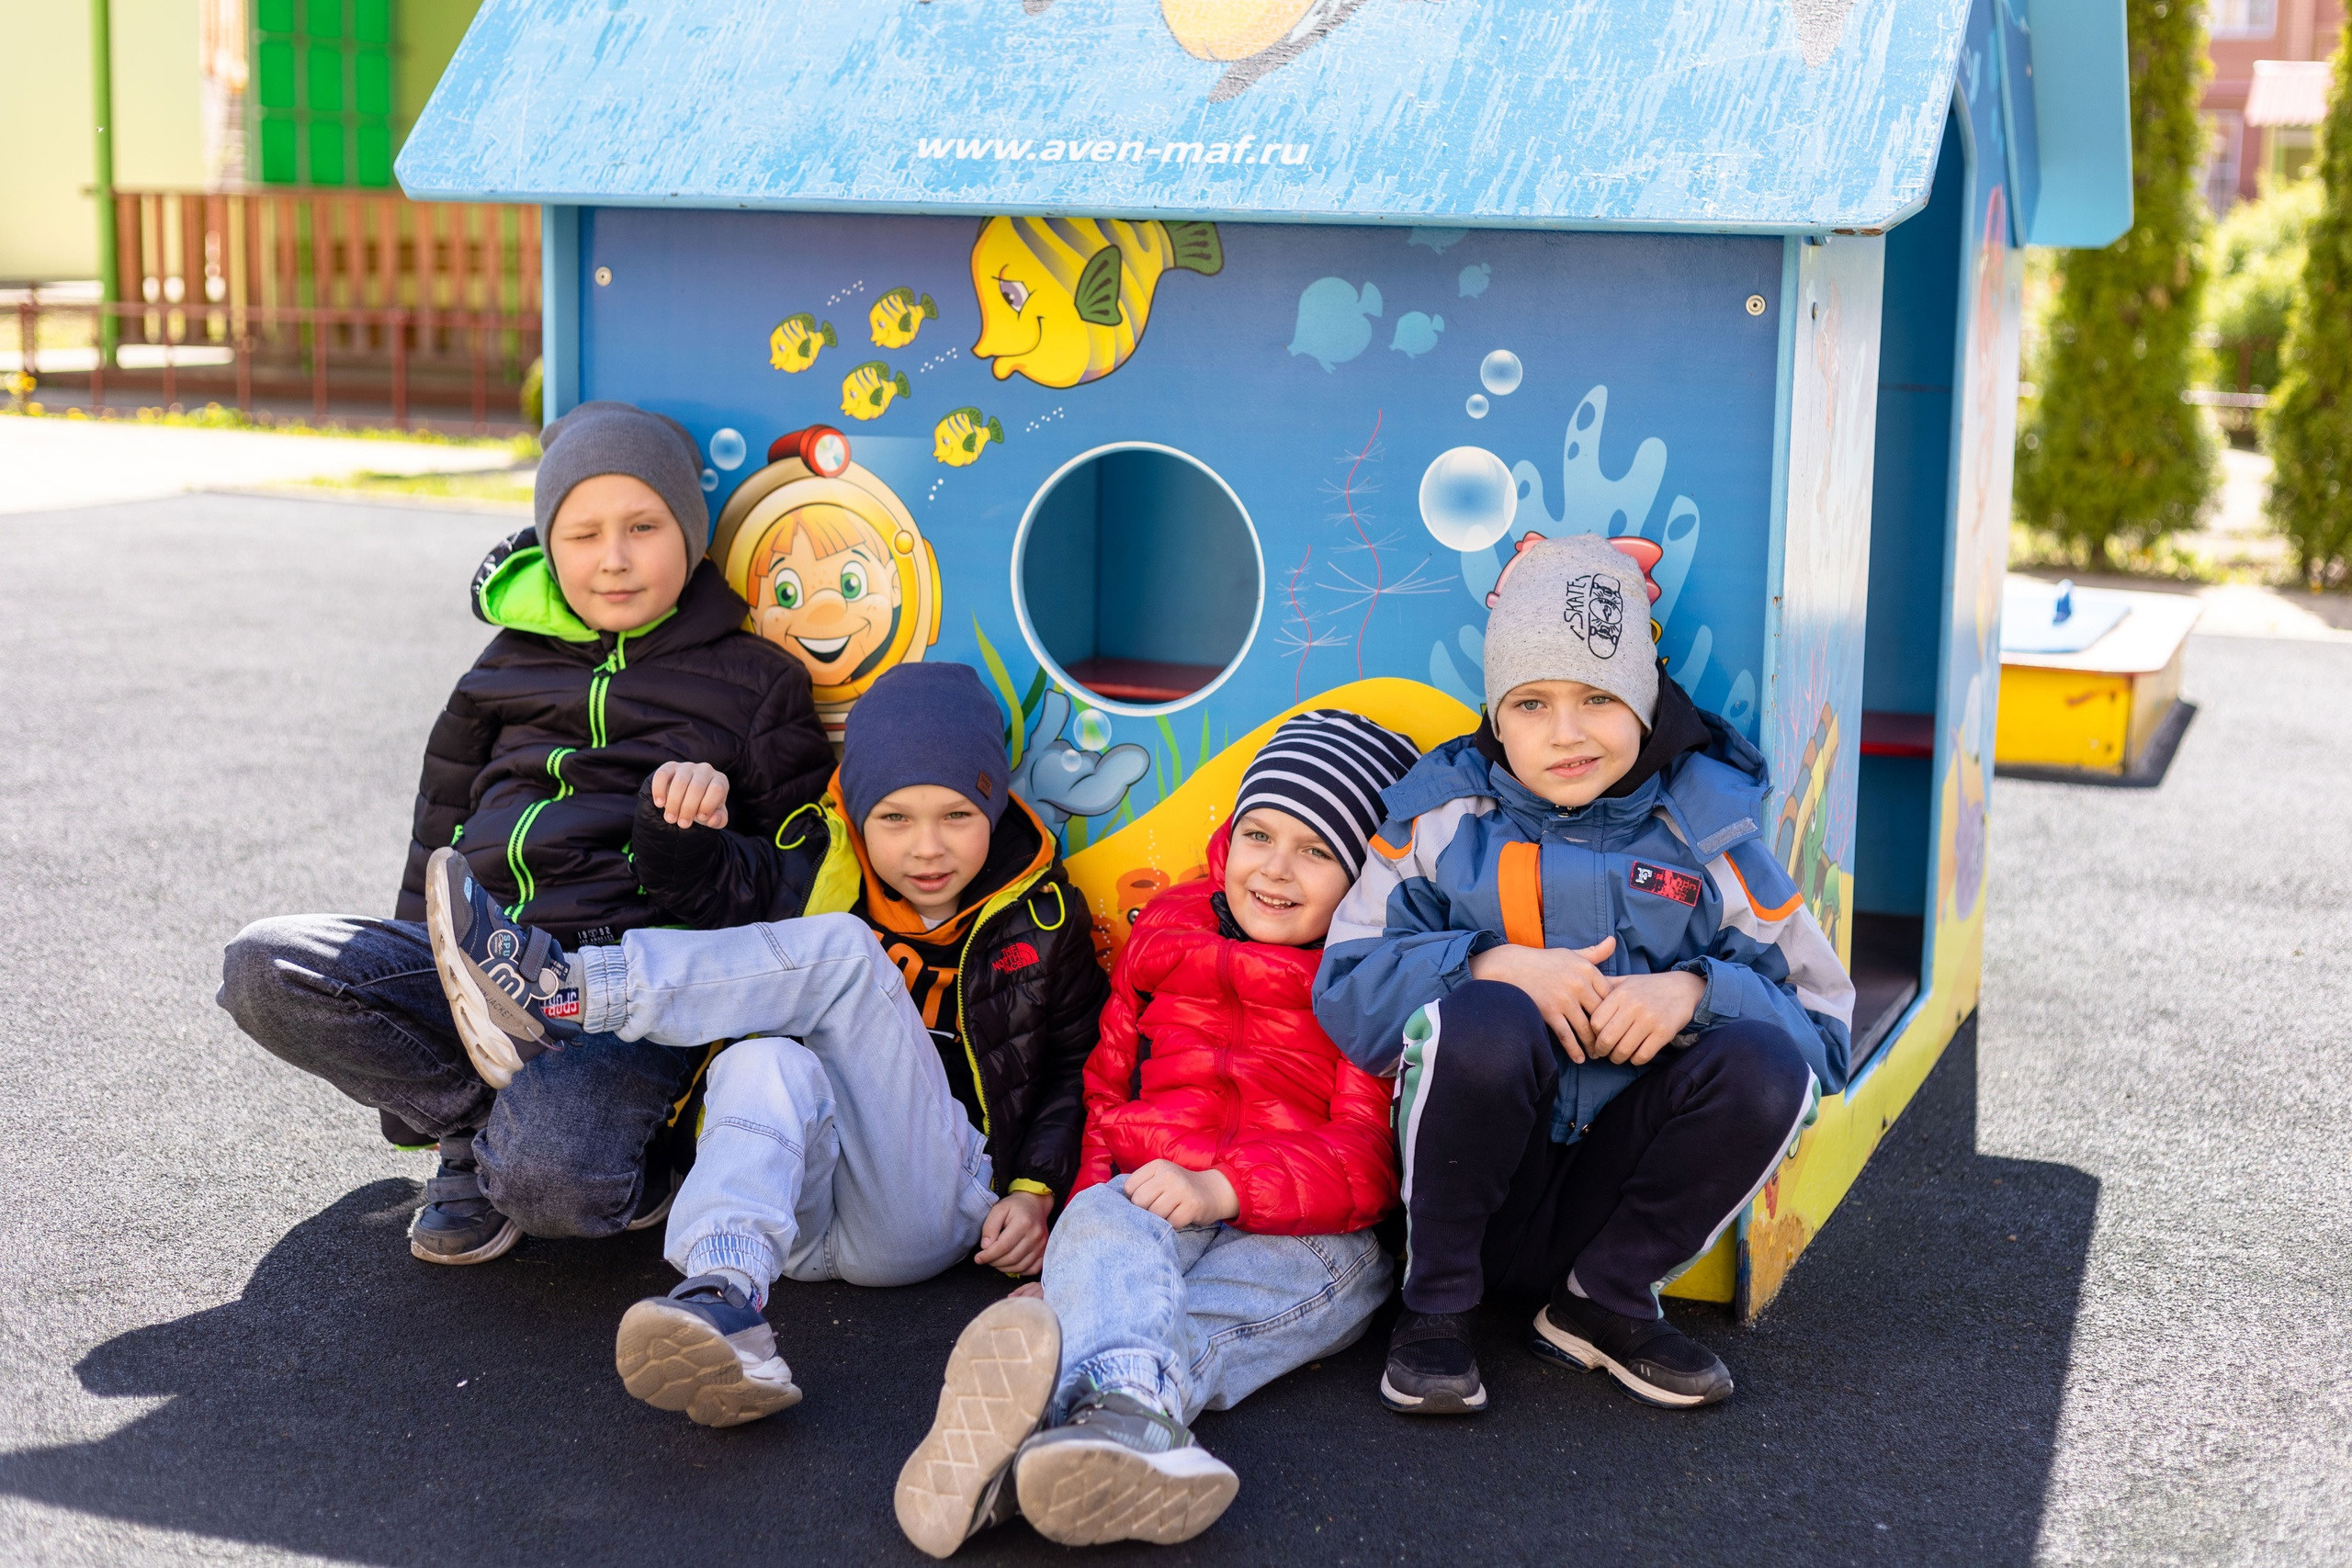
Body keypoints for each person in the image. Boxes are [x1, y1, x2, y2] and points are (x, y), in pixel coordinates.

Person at [217, 400, 833, 1266]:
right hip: (481, 962)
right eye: (582, 534)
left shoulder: (758, 683)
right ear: (548, 544)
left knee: (552, 1186)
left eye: (643, 526)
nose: (613, 558)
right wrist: (420, 1027)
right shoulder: (502, 665)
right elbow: (434, 841)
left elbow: (796, 887)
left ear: (693, 537)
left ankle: (630, 1157)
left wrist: (686, 845)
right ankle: (471, 1126)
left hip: (621, 993)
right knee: (263, 966)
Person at [419, 661, 1106, 1427]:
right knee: (762, 1057)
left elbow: (1073, 1069)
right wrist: (674, 823)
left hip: (924, 1208)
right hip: (796, 1213)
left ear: (995, 806)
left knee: (845, 953)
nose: (927, 847)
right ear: (857, 813)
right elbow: (713, 887)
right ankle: (726, 1297)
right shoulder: (817, 858)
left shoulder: (1044, 916)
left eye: (956, 815)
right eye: (894, 818)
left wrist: (1036, 1188)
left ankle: (566, 993)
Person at [1314, 534, 1855, 1414]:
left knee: (1768, 1063)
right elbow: (1344, 986)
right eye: (1532, 702)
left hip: (1616, 1194)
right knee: (1488, 1017)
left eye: (1599, 697)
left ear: (1644, 697)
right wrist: (1483, 962)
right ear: (1497, 718)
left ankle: (1603, 1302)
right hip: (1474, 1190)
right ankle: (1436, 1307)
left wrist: (1698, 995)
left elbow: (1824, 1032)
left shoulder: (1712, 831)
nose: (1566, 733)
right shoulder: (1444, 820)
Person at [893, 711, 1418, 1557]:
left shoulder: (1369, 972)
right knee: (1105, 1215)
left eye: (1317, 851)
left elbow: (1368, 1158)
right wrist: (1073, 1262)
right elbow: (1109, 1094)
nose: (1275, 868)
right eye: (1259, 834)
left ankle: (1052, 1426)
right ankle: (1127, 1418)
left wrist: (1225, 1189)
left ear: (1361, 876)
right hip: (1153, 1196)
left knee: (1315, 1284)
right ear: (1230, 836)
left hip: (1309, 1232)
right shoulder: (1168, 929)